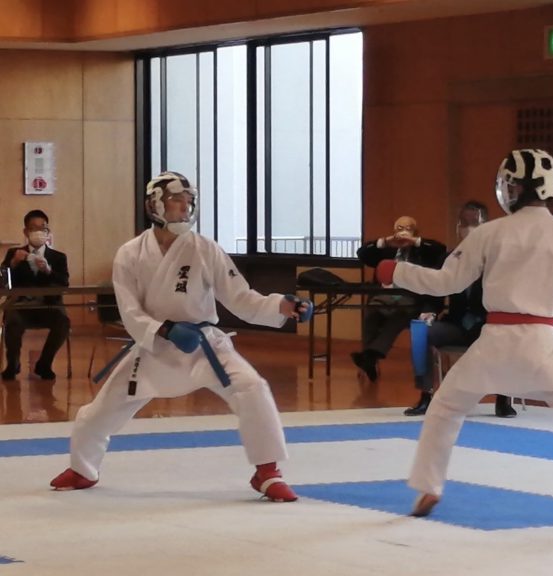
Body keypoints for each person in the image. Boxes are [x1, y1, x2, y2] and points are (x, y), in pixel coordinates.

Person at [376, 149, 553, 531]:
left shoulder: (489, 233)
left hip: (494, 345)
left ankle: (428, 486)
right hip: (546, 345)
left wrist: (395, 271)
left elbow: (446, 282)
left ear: (512, 188)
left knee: (445, 407)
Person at [50, 171, 312, 502]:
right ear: (155, 205)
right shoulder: (130, 254)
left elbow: (241, 298)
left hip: (204, 345)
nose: (185, 207)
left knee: (252, 387)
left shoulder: (205, 249)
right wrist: (165, 329)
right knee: (99, 412)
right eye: (176, 200)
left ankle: (267, 471)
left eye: (189, 201)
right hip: (154, 346)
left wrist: (282, 306)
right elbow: (129, 310)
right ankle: (83, 469)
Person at [404, 201, 516, 418]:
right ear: (458, 227)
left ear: (486, 226)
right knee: (422, 332)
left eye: (474, 223)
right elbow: (434, 292)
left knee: (506, 336)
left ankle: (503, 398)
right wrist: (429, 312)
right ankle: (426, 395)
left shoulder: (498, 260)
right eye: (464, 223)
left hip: (486, 325)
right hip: (456, 324)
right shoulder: (449, 258)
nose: (468, 228)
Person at [352, 216, 446, 381]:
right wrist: (386, 241)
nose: (403, 232)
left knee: (398, 315)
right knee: (371, 313)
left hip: (411, 299)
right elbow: (363, 253)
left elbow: (440, 249)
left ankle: (369, 356)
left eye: (408, 229)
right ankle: (370, 359)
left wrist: (414, 241)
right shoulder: (387, 251)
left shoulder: (423, 251)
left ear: (415, 232)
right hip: (384, 297)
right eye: (399, 228)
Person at [1, 210, 70, 381]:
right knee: (12, 322)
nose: (39, 232)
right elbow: (2, 283)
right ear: (26, 232)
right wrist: (13, 263)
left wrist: (48, 270)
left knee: (63, 322)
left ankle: (44, 364)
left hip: (49, 306)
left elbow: (64, 284)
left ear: (48, 231)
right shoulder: (14, 253)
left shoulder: (58, 257)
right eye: (34, 228)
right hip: (21, 306)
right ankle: (13, 364)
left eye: (43, 228)